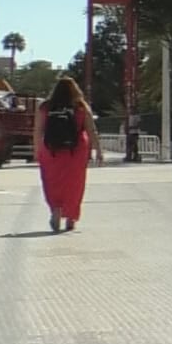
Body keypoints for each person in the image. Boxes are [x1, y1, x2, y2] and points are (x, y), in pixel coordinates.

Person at [35, 76, 103, 233]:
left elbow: (38, 131)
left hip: (51, 150)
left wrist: (37, 150)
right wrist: (98, 150)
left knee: (52, 182)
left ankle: (56, 209)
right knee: (74, 184)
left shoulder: (45, 107)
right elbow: (91, 130)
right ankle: (71, 218)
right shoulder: (80, 107)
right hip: (76, 151)